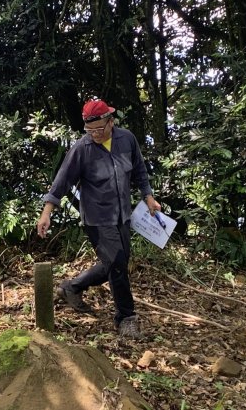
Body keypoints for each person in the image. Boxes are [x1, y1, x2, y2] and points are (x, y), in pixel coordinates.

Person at [36, 99, 161, 338]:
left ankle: (71, 287)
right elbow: (62, 181)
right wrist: (46, 213)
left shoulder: (127, 140)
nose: (95, 134)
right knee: (116, 264)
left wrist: (148, 196)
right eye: (89, 130)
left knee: (117, 263)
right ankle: (126, 317)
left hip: (122, 214)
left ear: (111, 122)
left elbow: (139, 170)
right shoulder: (82, 149)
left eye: (99, 129)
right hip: (97, 218)